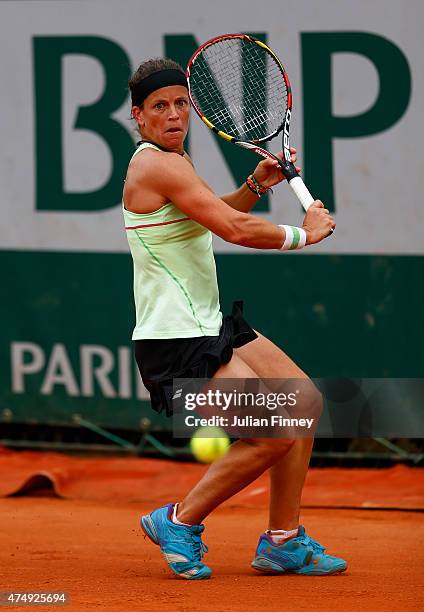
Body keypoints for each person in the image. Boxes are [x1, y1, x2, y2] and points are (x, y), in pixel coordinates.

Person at [123, 57, 346, 580]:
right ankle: (178, 519)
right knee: (271, 433)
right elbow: (233, 229)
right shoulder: (155, 164)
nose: (174, 114)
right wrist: (302, 234)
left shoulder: (173, 163)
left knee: (303, 401)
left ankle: (283, 541)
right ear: (140, 116)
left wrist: (255, 183)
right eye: (160, 106)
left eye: (181, 103)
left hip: (208, 324)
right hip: (176, 340)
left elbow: (204, 213)